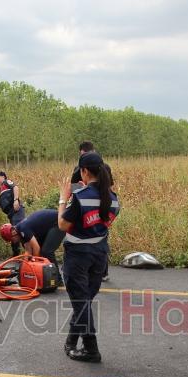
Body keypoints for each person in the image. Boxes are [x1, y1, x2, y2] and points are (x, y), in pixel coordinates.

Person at [58, 152, 119, 362]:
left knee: (81, 302)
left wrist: (63, 199)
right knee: (84, 301)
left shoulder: (81, 197)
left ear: (84, 171)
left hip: (78, 256)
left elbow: (62, 225)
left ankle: (92, 349)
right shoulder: (113, 199)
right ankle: (71, 341)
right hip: (99, 254)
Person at [71, 141, 114, 281]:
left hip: (92, 207)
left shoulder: (84, 168)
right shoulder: (102, 167)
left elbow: (74, 189)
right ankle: (97, 272)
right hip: (96, 207)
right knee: (99, 239)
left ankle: (98, 272)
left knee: (93, 239)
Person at [0, 209, 65, 284]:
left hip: (58, 222)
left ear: (13, 232)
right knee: (41, 254)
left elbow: (36, 248)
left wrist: (34, 268)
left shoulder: (23, 228)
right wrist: (25, 266)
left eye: (11, 239)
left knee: (46, 252)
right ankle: (47, 277)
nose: (13, 242)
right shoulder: (20, 234)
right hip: (48, 227)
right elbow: (28, 251)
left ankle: (57, 279)